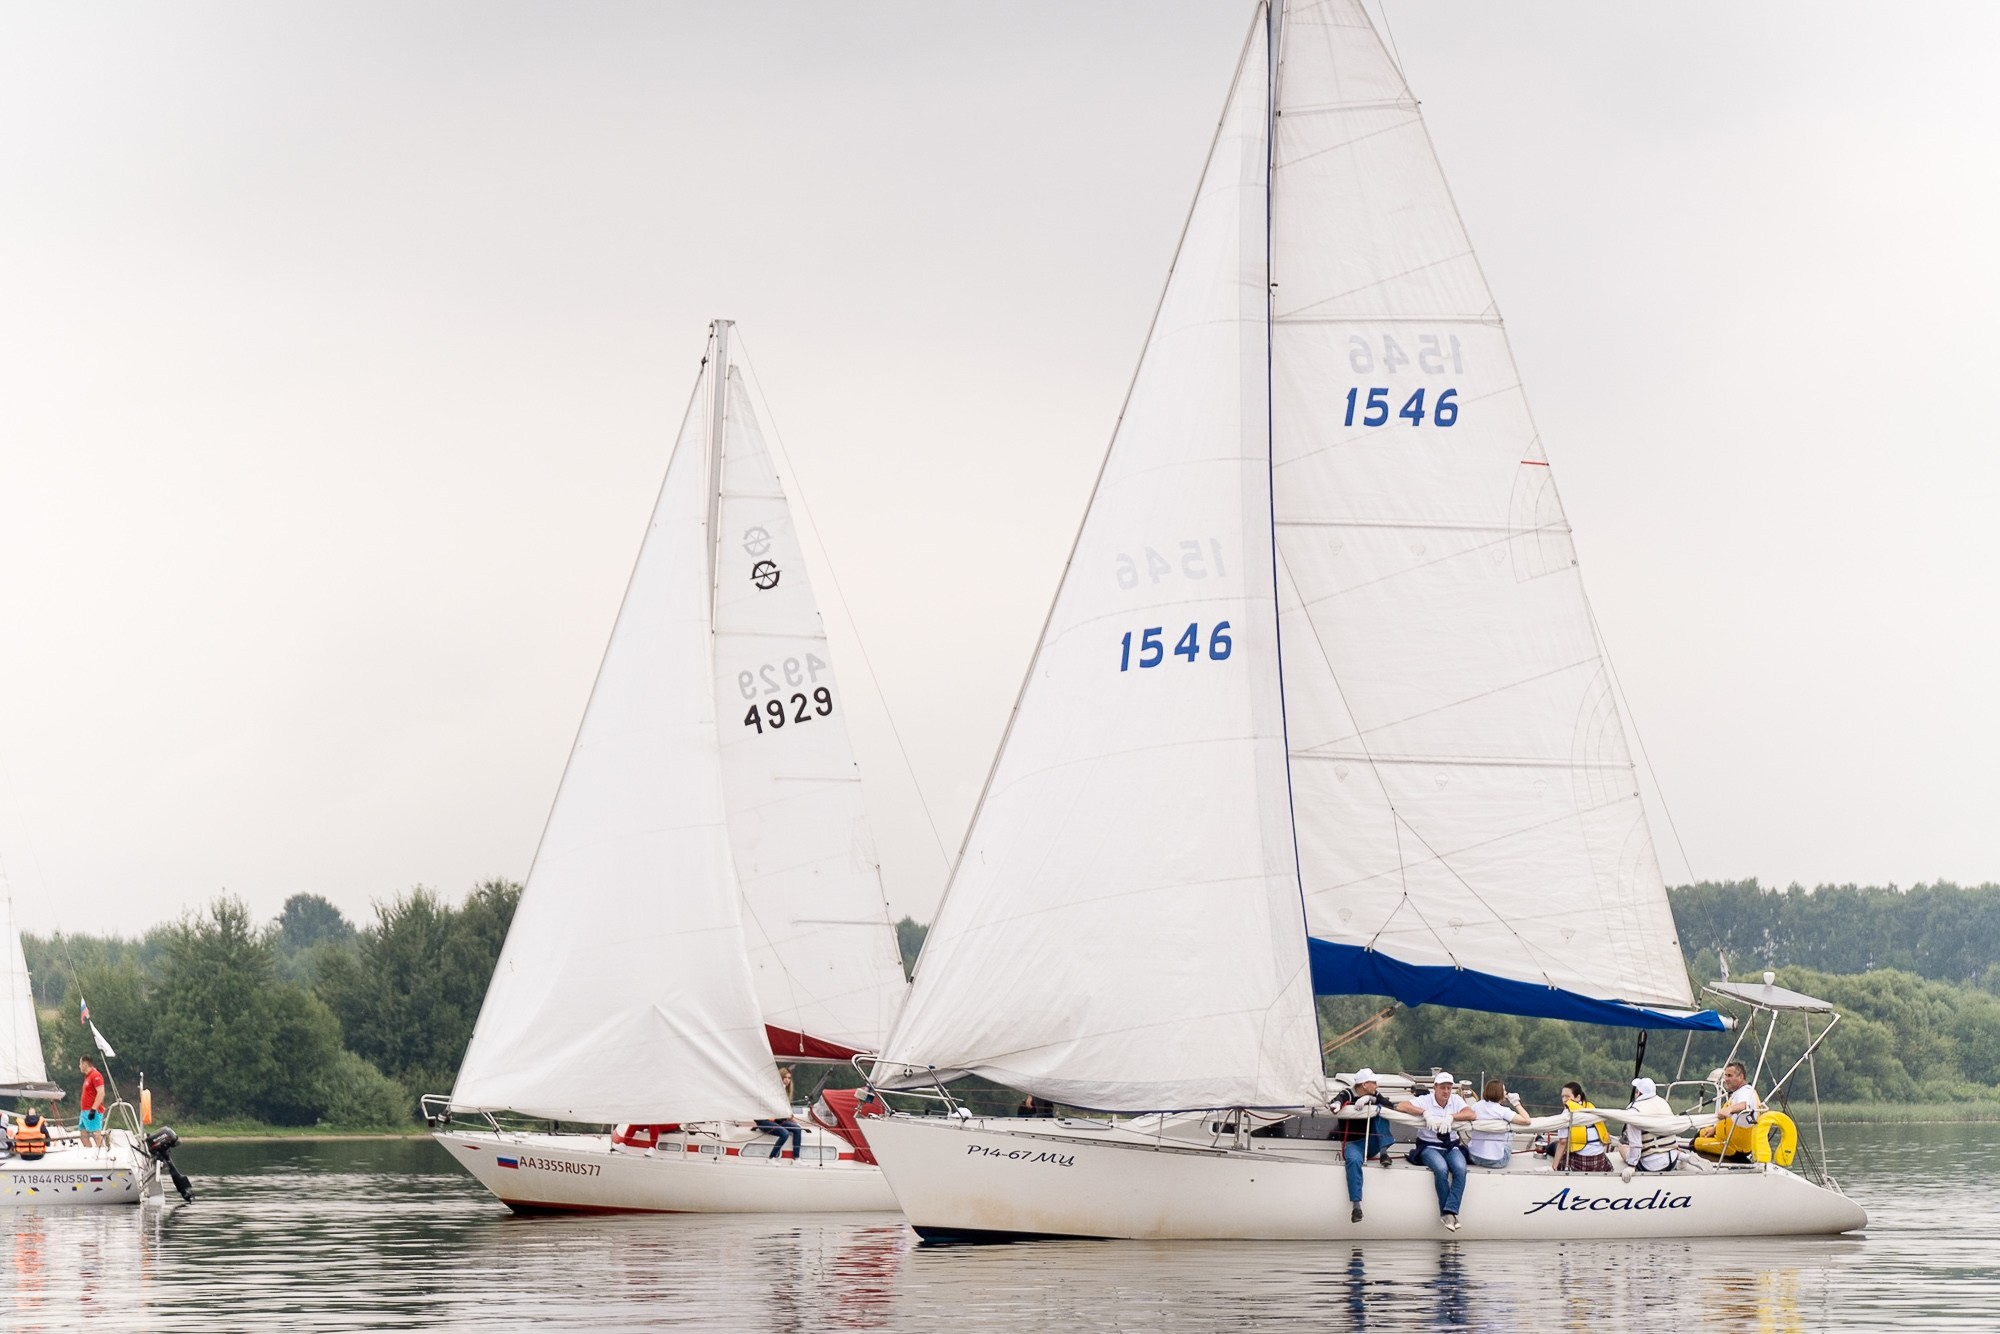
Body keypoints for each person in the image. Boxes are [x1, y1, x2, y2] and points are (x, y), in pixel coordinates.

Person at [1396, 1072, 1475, 1230]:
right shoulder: (1425, 1100)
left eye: (1449, 1088)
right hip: (1429, 1146)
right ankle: (1446, 1214)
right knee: (1441, 1169)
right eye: (1442, 1088)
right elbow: (1401, 1106)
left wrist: (1452, 1117)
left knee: (1461, 1169)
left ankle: (1450, 1210)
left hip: (1451, 1146)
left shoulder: (1456, 1100)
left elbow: (1471, 1114)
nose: (1446, 1091)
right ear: (1435, 1088)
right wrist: (1424, 1113)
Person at [1328, 1069, 1395, 1222]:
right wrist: (1337, 1104)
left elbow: (1389, 1106)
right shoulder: (1347, 1093)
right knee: (1353, 1161)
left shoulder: (1375, 1094)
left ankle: (1383, 1153)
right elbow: (1338, 1100)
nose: (1377, 1085)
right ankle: (1356, 1207)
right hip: (1353, 1145)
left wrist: (1370, 1099)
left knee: (1382, 1111)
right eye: (1374, 1082)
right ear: (1364, 1085)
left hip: (1371, 1142)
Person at [1703, 1060, 1763, 1163]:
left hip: (1734, 1146)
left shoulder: (1745, 1092)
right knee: (1702, 1133)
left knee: (1695, 1143)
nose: (1726, 1079)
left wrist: (1729, 1109)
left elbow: (1744, 1105)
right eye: (1725, 1075)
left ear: (1741, 1077)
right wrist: (1715, 1129)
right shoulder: (1738, 1092)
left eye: (1730, 1076)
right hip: (1726, 1138)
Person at [1467, 1080, 1530, 1170]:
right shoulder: (1503, 1111)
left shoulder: (1476, 1106)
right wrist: (1516, 1102)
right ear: (1498, 1093)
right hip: (1496, 1162)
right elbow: (1527, 1120)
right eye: (1503, 1090)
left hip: (1473, 1157)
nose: (1506, 1092)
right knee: (1510, 1133)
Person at [1622, 1076, 1681, 1172]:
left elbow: (1635, 1143)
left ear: (1639, 1092)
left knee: (1623, 1148)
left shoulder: (1634, 1110)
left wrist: (1631, 1166)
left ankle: (1681, 1156)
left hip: (1650, 1166)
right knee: (1665, 1147)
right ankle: (1682, 1156)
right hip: (1672, 1160)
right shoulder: (1663, 1103)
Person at [1551, 1081, 1613, 1173]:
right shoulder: (1590, 1108)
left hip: (1581, 1161)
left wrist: (1554, 1166)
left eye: (1567, 1096)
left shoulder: (1567, 1113)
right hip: (1599, 1160)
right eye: (1562, 1096)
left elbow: (1562, 1142)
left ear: (1578, 1097)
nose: (1564, 1100)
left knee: (1553, 1147)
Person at [754, 1067, 805, 1161]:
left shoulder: (785, 1092)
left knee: (797, 1129)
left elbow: (784, 1111)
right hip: (764, 1121)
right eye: (785, 1077)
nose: (787, 1080)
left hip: (776, 1120)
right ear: (780, 1078)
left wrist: (795, 1121)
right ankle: (772, 1158)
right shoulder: (771, 1091)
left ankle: (796, 1158)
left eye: (789, 1078)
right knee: (784, 1133)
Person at [77, 1055, 108, 1150]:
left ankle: (102, 1153)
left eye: (80, 1064)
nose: (79, 1066)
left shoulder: (95, 1075)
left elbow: (101, 1092)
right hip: (84, 1111)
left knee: (96, 1135)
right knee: (83, 1135)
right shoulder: (87, 1077)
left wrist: (93, 1109)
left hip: (93, 1110)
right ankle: (90, 1153)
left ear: (85, 1064)